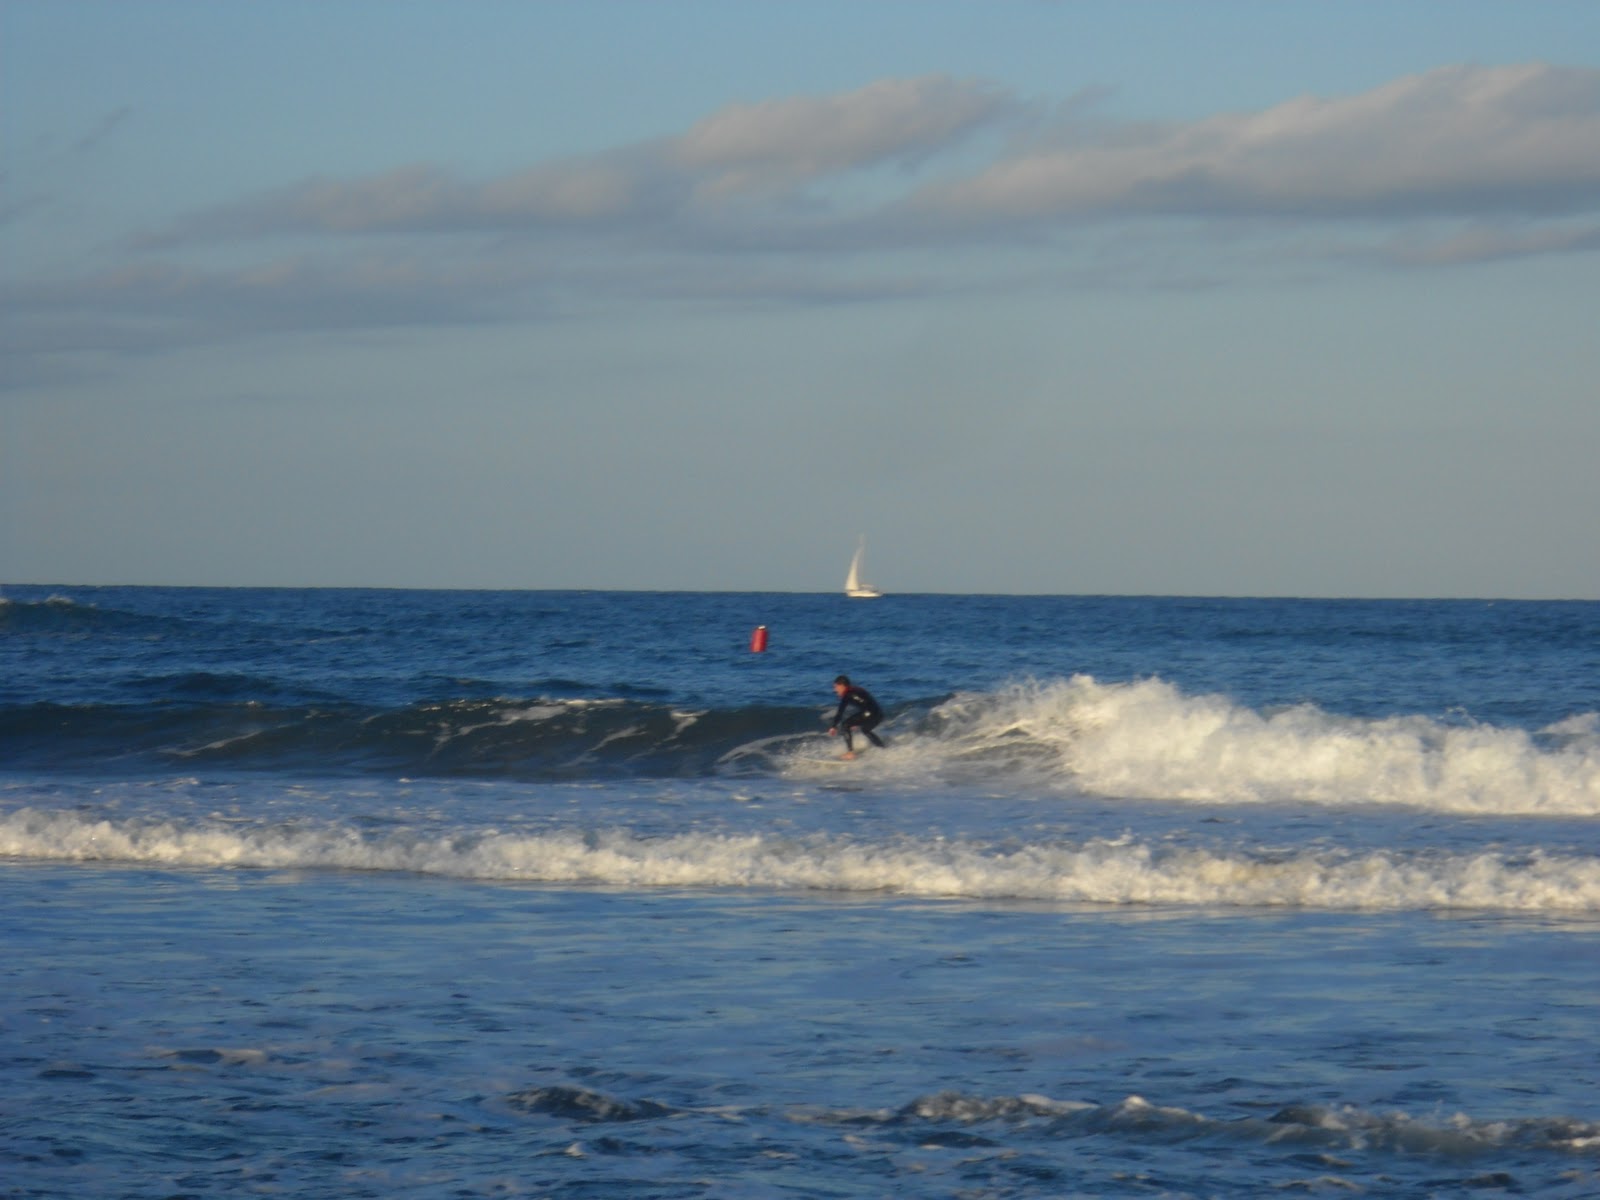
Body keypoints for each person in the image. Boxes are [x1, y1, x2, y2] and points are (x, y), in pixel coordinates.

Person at [828, 674, 886, 759]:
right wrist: (858, 722)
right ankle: (882, 748)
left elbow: (840, 712)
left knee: (845, 725)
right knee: (865, 730)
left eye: (836, 687)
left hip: (870, 713)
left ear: (841, 686)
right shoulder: (857, 690)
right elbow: (867, 704)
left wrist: (833, 726)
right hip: (879, 714)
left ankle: (850, 753)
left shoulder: (847, 694)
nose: (835, 690)